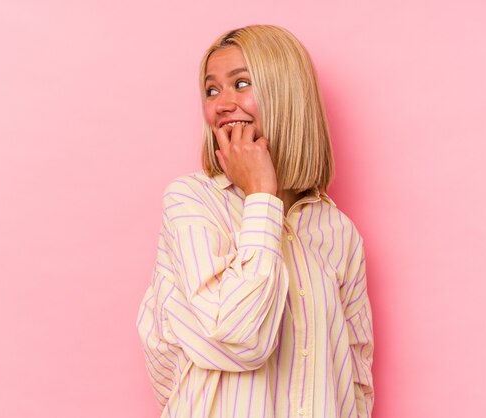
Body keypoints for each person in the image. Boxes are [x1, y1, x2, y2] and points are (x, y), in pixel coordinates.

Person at [136, 24, 374, 418]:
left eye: (240, 83)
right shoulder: (192, 201)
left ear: (285, 95)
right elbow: (239, 337)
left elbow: (355, 379)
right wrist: (262, 196)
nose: (221, 104)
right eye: (211, 90)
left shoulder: (338, 232)